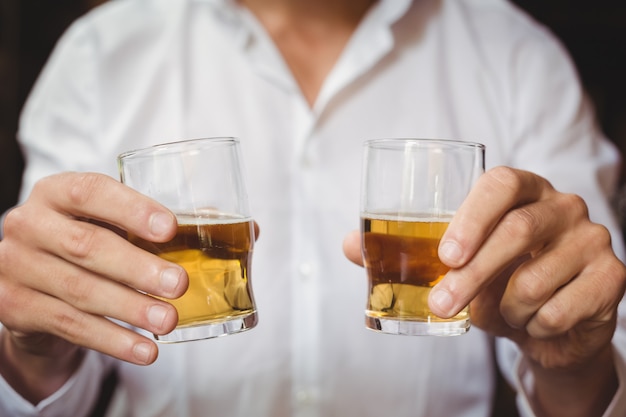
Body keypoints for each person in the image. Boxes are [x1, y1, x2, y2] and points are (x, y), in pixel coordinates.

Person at [1, 0, 625, 416]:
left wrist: (578, 371)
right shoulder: (99, 56)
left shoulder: (519, 57)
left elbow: (594, 360)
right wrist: (29, 351)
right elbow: (43, 366)